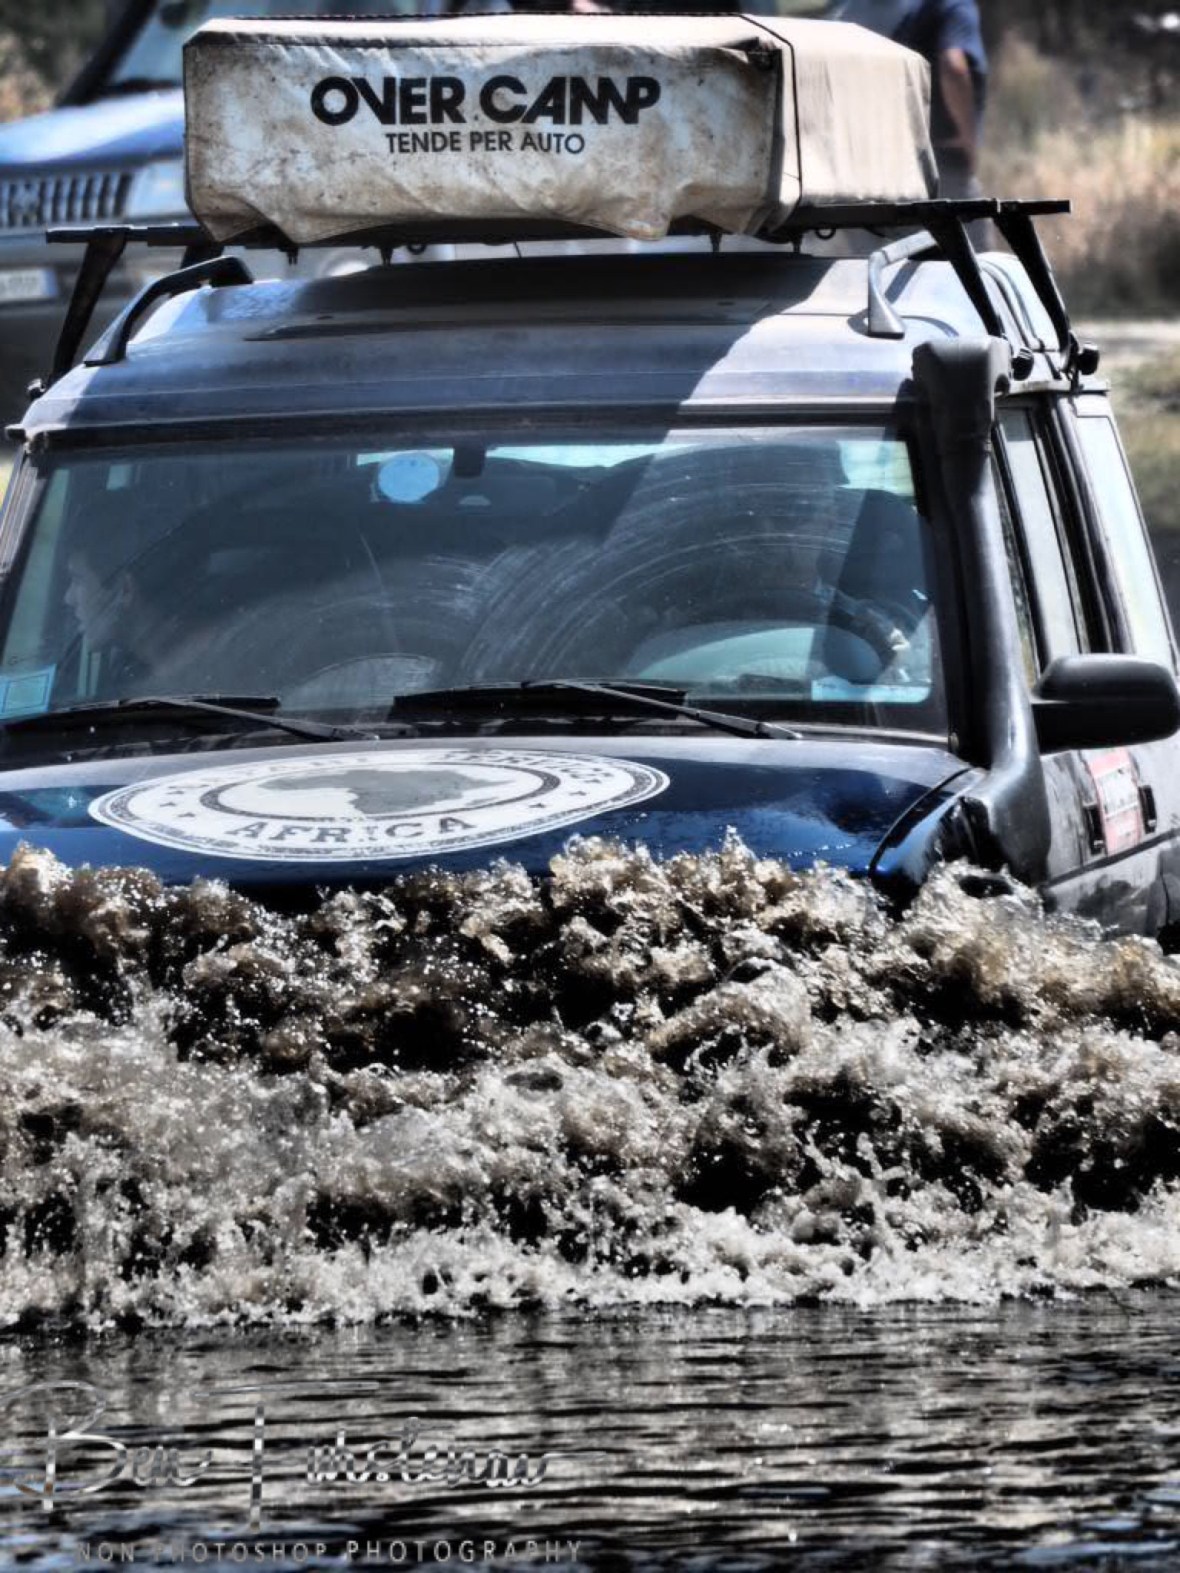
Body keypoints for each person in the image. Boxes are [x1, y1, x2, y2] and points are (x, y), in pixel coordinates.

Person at [829, 0, 988, 200]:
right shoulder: (955, 7)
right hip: (945, 163)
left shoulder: (892, 12)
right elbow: (953, 67)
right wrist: (969, 141)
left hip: (888, 163)